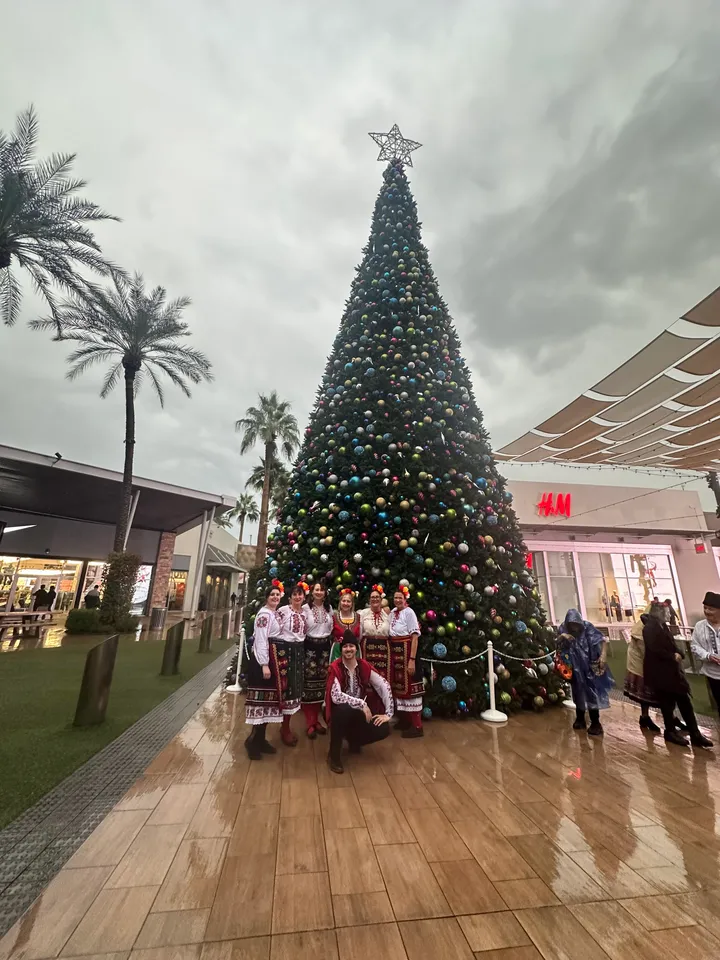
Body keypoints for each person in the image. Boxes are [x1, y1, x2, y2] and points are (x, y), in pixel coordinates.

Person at [325, 629, 393, 774]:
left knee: (384, 728)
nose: (348, 649)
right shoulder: (335, 668)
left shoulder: (363, 666)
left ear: (356, 648)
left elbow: (383, 685)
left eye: (351, 646)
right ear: (341, 649)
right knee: (344, 710)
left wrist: (388, 713)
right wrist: (362, 703)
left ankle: (354, 741)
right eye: (345, 646)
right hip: (339, 714)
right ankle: (334, 755)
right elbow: (335, 696)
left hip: (358, 715)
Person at [643, 612, 713, 748]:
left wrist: (679, 653)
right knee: (667, 703)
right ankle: (670, 731)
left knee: (683, 700)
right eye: (667, 612)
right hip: (660, 673)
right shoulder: (650, 628)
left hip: (672, 672)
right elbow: (654, 649)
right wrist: (672, 656)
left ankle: (695, 733)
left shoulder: (662, 626)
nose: (670, 614)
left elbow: (671, 643)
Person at [244, 581, 284, 759]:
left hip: (272, 659)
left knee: (268, 702)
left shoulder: (273, 614)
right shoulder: (264, 615)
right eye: (272, 595)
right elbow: (261, 639)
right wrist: (264, 664)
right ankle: (252, 741)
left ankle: (260, 739)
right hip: (263, 662)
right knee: (260, 702)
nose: (275, 597)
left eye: (277, 594)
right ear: (266, 597)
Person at [558, 608, 614, 736]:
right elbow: (557, 644)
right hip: (574, 666)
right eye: (571, 624)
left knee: (591, 692)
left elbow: (603, 639)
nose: (574, 627)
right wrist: (562, 637)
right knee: (577, 692)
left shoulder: (588, 628)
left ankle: (595, 722)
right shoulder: (563, 629)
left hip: (589, 665)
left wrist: (603, 656)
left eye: (575, 624)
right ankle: (580, 718)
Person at [274, 582, 307, 747]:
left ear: (304, 596)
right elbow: (274, 629)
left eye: (300, 594)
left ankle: (286, 725)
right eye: (294, 594)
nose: (297, 597)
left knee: (295, 688)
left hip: (299, 652)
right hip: (285, 650)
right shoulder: (283, 611)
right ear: (289, 597)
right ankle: (284, 727)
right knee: (285, 688)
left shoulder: (305, 612)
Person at [389, 585, 424, 738]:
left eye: (400, 598)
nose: (397, 600)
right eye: (395, 598)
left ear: (405, 599)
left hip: (407, 651)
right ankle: (405, 721)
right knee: (399, 687)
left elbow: (415, 637)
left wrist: (412, 660)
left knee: (411, 688)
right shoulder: (392, 612)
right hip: (396, 654)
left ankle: (417, 726)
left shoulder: (409, 613)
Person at [302, 581, 333, 738]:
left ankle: (316, 721)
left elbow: (332, 628)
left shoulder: (329, 609)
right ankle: (310, 722)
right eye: (316, 589)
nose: (319, 592)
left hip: (325, 649)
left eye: (322, 589)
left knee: (321, 685)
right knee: (308, 686)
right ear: (312, 592)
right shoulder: (306, 609)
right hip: (310, 648)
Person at [624, 616, 662, 734]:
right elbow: (644, 650)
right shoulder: (641, 629)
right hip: (641, 664)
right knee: (647, 691)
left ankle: (646, 717)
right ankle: (647, 717)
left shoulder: (649, 624)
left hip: (643, 663)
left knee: (648, 692)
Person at [690, 591, 720, 718]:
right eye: (705, 608)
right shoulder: (700, 626)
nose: (707, 611)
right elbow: (694, 646)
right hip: (712, 674)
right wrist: (708, 655)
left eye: (711, 609)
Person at [359, 584, 390, 670]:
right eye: (372, 597)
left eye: (377, 597)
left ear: (381, 599)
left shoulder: (387, 615)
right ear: (369, 600)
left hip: (384, 651)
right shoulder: (362, 614)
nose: (375, 599)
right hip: (367, 651)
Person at [331, 588, 360, 664]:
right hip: (337, 651)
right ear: (340, 602)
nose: (346, 603)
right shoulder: (334, 617)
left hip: (354, 652)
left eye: (348, 601)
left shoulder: (358, 617)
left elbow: (360, 636)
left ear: (352, 604)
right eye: (343, 601)